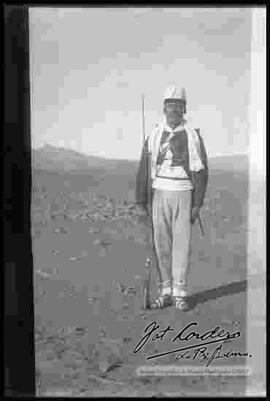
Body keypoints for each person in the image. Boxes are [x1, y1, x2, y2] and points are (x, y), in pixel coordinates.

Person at [136, 85, 208, 311]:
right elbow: (143, 169)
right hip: (160, 194)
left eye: (178, 106)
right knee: (161, 245)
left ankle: (180, 292)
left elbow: (202, 172)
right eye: (170, 106)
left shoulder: (194, 136)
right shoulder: (154, 136)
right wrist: (141, 201)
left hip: (185, 193)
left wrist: (197, 204)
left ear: (184, 109)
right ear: (164, 109)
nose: (173, 110)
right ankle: (165, 291)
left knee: (182, 246)